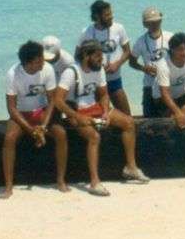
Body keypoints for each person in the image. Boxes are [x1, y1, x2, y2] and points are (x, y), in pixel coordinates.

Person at [55, 39, 149, 197]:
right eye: (98, 56)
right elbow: (58, 100)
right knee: (94, 137)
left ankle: (131, 167)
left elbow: (104, 94)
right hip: (75, 110)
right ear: (86, 56)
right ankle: (94, 182)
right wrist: (77, 117)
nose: (102, 60)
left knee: (129, 123)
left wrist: (105, 111)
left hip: (94, 107)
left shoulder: (98, 70)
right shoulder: (70, 73)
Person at [2, 41, 69, 199]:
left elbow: (52, 100)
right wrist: (29, 129)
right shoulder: (13, 74)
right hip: (21, 113)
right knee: (9, 139)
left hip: (42, 112)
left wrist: (44, 125)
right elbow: (11, 108)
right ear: (28, 63)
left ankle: (60, 180)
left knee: (61, 134)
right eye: (39, 60)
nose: (43, 62)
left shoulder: (48, 69)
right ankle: (8, 186)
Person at [79, 0, 132, 115]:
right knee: (100, 115)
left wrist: (117, 64)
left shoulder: (119, 28)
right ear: (97, 16)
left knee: (126, 114)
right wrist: (95, 65)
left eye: (111, 13)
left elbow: (127, 51)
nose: (111, 17)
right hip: (96, 83)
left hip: (114, 79)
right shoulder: (87, 32)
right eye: (107, 14)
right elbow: (78, 57)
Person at [129, 7, 173, 118]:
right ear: (145, 24)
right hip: (149, 84)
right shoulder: (140, 42)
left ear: (161, 21)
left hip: (168, 83)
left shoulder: (170, 37)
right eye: (151, 22)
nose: (155, 24)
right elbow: (132, 62)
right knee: (149, 117)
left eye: (157, 21)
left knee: (168, 116)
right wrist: (144, 68)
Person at [152, 32, 185, 129]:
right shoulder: (163, 65)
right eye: (180, 49)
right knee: (175, 121)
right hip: (162, 99)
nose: (184, 53)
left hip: (181, 95)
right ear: (172, 50)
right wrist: (177, 112)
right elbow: (164, 93)